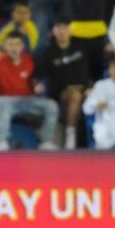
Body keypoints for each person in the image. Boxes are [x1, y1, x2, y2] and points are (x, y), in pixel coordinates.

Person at [0, 33, 59, 151]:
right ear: (5, 47)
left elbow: (36, 81)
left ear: (22, 46)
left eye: (17, 44)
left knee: (52, 106)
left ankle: (46, 141)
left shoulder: (30, 60)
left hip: (29, 101)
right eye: (10, 44)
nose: (14, 48)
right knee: (1, 101)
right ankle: (2, 141)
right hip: (8, 102)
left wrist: (38, 86)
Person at [37, 18, 90, 149]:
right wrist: (37, 83)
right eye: (58, 28)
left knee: (94, 96)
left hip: (84, 88)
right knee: (75, 95)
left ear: (70, 30)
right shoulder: (48, 52)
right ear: (53, 31)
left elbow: (91, 70)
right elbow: (38, 75)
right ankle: (70, 135)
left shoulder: (81, 47)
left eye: (65, 28)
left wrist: (90, 87)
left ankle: (98, 140)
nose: (62, 31)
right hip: (62, 92)